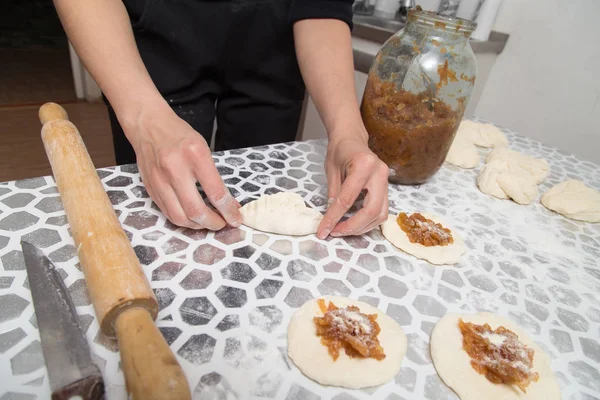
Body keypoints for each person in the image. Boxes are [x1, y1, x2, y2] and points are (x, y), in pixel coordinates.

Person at [54, 0, 389, 239]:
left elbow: (323, 6)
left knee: (260, 231)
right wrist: (143, 117)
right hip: (154, 38)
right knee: (163, 218)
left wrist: (348, 131)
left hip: (274, 44)